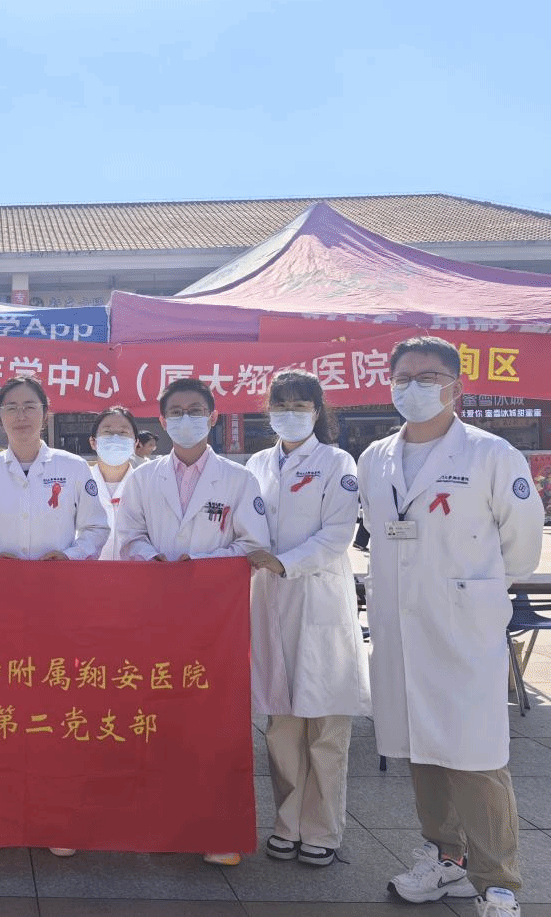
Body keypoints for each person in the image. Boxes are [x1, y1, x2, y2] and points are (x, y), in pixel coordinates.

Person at [358, 336, 542, 916]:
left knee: (476, 755)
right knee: (422, 747)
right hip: (400, 623)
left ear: (455, 388)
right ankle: (446, 858)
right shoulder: (375, 457)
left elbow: (522, 545)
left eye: (428, 377)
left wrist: (475, 591)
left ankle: (499, 883)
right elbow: (379, 530)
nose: (414, 387)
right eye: (403, 377)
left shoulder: (491, 454)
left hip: (463, 626)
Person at [114, 376, 269, 867]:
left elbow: (252, 544)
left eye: (195, 410)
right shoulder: (142, 479)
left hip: (213, 618)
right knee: (156, 717)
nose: (186, 419)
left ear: (213, 417)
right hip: (156, 612)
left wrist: (199, 565)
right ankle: (159, 819)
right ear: (162, 421)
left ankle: (215, 827)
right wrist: (155, 560)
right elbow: (128, 537)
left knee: (213, 720)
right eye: (176, 412)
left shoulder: (239, 480)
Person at [0, 375, 108, 857]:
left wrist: (70, 557)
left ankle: (57, 815)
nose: (21, 415)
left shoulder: (72, 466)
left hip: (59, 606)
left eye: (30, 406)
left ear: (46, 413)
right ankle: (0, 814)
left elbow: (96, 527)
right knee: (1, 710)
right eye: (11, 407)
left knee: (56, 711)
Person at [244, 370, 370, 868]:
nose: (290, 413)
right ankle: (287, 822)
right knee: (281, 722)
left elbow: (339, 533)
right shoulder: (257, 463)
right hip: (268, 599)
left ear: (317, 412)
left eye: (300, 405)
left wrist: (283, 562)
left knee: (326, 724)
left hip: (318, 600)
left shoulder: (337, 463)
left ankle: (322, 828)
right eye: (281, 404)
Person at [87, 406, 140, 560]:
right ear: (93, 442)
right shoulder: (79, 484)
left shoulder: (145, 485)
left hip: (135, 572)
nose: (115, 438)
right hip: (87, 572)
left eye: (123, 433)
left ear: (135, 443)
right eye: (107, 432)